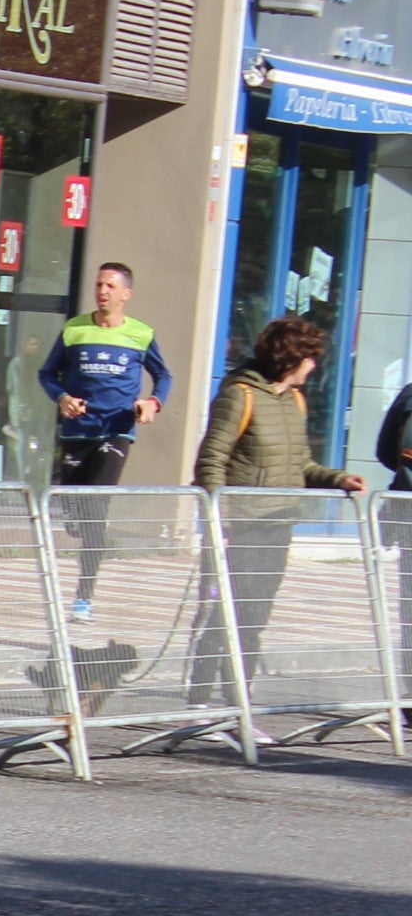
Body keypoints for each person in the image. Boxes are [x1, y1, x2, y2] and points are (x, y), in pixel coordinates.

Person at [189, 313, 363, 713]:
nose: (314, 366)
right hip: (241, 524)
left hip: (277, 523)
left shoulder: (294, 402)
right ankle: (202, 700)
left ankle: (238, 705)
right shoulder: (240, 395)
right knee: (227, 615)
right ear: (291, 358)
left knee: (255, 617)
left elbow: (301, 464)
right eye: (310, 358)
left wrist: (338, 479)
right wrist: (220, 520)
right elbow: (211, 460)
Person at [38, 262, 170, 621]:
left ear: (126, 294)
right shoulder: (74, 330)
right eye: (99, 284)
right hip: (78, 431)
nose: (103, 291)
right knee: (74, 511)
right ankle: (77, 516)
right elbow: (47, 374)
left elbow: (163, 376)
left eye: (111, 286)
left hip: (117, 430)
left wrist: (151, 402)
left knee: (96, 512)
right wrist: (62, 397)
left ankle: (84, 596)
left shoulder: (141, 334)